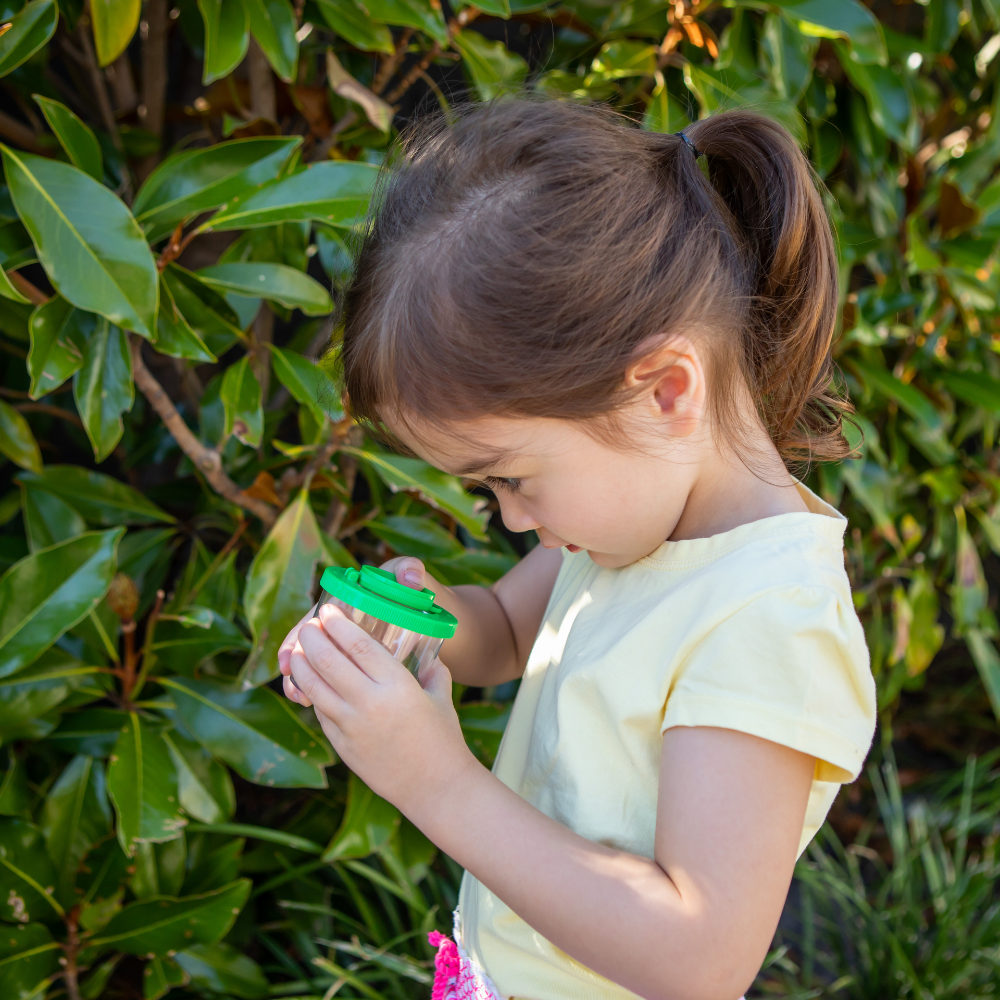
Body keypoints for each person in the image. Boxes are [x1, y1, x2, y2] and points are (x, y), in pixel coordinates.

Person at [277, 99, 877, 1000]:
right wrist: (416, 621)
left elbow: (700, 958)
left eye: (511, 477)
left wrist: (435, 782)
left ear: (665, 391)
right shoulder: (632, 520)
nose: (511, 519)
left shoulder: (767, 620)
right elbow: (507, 636)